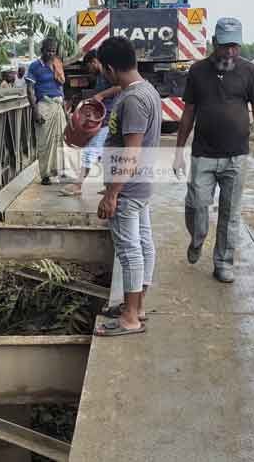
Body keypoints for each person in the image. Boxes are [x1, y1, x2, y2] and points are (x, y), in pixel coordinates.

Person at [173, 17, 254, 284]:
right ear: (214, 43)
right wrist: (178, 150)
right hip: (203, 154)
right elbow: (189, 112)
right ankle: (197, 239)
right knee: (196, 205)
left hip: (237, 156)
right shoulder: (197, 72)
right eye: (226, 45)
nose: (231, 51)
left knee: (230, 213)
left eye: (235, 46)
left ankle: (223, 263)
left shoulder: (249, 71)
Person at [94, 36, 162, 337]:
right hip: (140, 187)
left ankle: (130, 317)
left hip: (128, 189)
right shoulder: (146, 91)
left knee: (129, 251)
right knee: (144, 244)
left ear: (110, 68)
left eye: (103, 71)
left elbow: (130, 154)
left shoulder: (133, 101)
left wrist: (112, 194)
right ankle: (137, 306)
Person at [62, 49, 119, 196]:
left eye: (89, 66)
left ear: (94, 62)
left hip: (109, 118)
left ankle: (78, 185)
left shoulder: (108, 73)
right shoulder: (100, 76)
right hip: (102, 118)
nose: (89, 70)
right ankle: (109, 186)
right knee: (106, 153)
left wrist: (101, 95)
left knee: (90, 150)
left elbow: (120, 86)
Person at [26, 38, 68, 185]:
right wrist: (35, 111)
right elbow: (30, 90)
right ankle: (45, 175)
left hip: (58, 105)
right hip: (43, 105)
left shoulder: (57, 65)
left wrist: (65, 110)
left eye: (53, 51)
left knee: (60, 139)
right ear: (42, 50)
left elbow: (61, 88)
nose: (51, 54)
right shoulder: (34, 67)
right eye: (48, 50)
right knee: (44, 141)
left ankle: (58, 171)